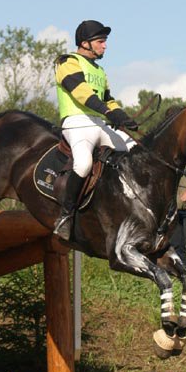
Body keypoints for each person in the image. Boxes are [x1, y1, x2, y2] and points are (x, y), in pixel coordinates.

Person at [53, 20, 138, 240]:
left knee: (136, 151)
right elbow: (81, 93)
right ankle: (65, 215)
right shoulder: (67, 62)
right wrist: (109, 113)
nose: (104, 46)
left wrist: (123, 117)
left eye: (104, 42)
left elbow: (108, 100)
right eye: (101, 42)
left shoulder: (100, 71)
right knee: (84, 163)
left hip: (99, 123)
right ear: (85, 43)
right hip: (76, 122)